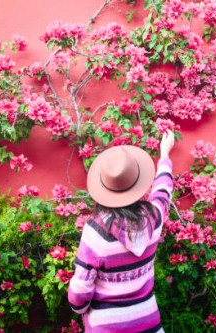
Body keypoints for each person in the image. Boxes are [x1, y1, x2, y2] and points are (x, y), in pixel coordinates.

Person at [68, 130, 175, 332]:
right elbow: (163, 191)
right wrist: (164, 156)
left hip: (106, 325)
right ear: (137, 183)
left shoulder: (96, 230)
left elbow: (80, 289)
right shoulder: (154, 216)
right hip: (147, 321)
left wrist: (79, 307)